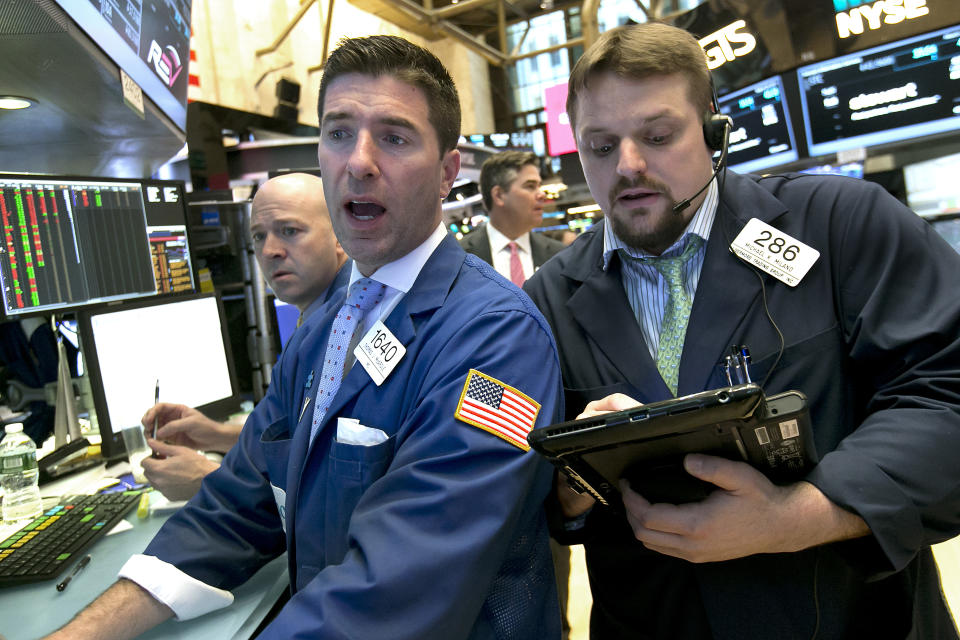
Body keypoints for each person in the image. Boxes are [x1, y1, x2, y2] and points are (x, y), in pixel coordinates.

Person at [46, 35, 563, 640]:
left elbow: (398, 589)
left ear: (449, 172)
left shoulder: (496, 338)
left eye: (394, 138)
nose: (359, 161)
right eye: (339, 133)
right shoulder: (328, 320)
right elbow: (239, 501)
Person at [523, 22, 960, 640]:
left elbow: (946, 388)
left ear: (713, 128)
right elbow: (523, 488)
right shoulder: (544, 301)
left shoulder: (839, 227)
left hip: (849, 617)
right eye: (599, 146)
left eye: (657, 135)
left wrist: (805, 515)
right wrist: (571, 484)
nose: (629, 165)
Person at [140, 172, 350, 501]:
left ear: (341, 235)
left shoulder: (351, 332)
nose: (269, 251)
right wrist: (216, 435)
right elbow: (295, 441)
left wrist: (209, 478)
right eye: (258, 236)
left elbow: (343, 484)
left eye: (289, 231)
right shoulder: (314, 322)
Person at [460, 150, 564, 286]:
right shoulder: (460, 257)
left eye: (539, 186)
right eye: (530, 186)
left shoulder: (559, 255)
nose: (542, 195)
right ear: (499, 195)